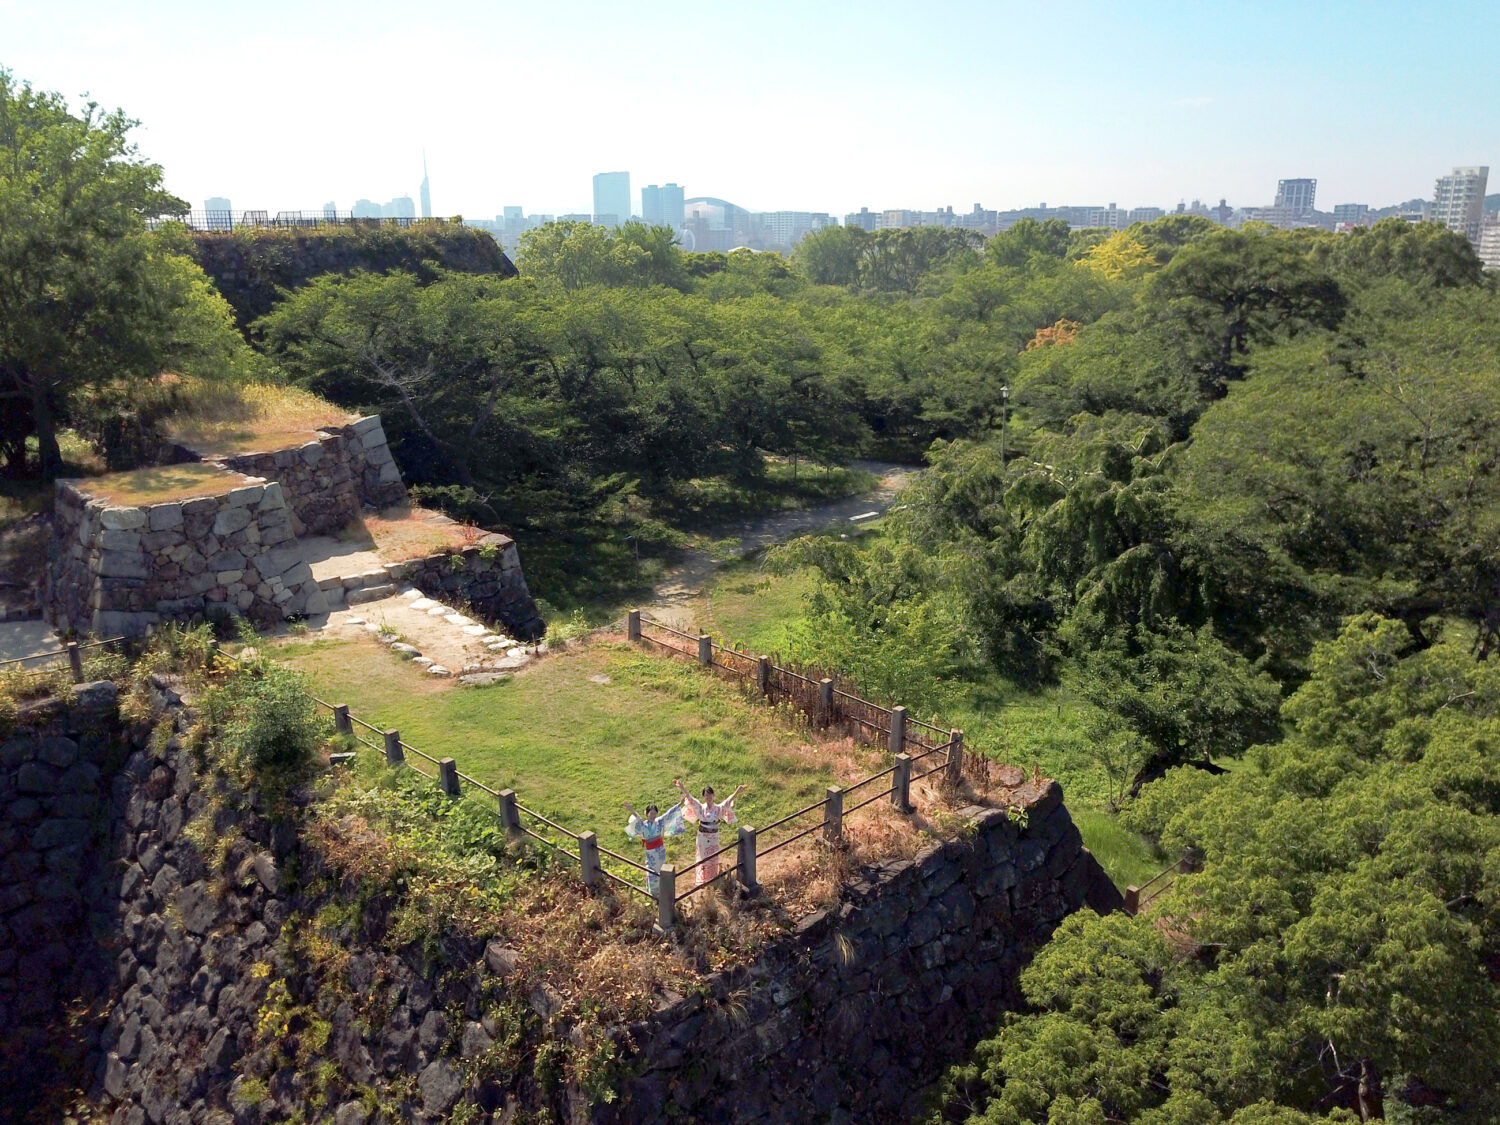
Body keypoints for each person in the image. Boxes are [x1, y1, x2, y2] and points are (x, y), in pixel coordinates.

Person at [674, 778, 747, 886]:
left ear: (714, 796)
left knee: (713, 856)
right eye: (706, 795)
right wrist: (682, 787)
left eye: (710, 794)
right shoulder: (700, 807)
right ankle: (702, 879)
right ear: (704, 797)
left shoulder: (718, 809)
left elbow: (728, 801)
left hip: (713, 836)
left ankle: (712, 878)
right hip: (702, 836)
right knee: (702, 857)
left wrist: (737, 791)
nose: (708, 797)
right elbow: (691, 799)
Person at [623, 798, 685, 896]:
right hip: (650, 852)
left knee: (661, 870)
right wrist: (631, 810)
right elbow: (638, 818)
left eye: (654, 813)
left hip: (660, 850)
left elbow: (669, 813)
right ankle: (652, 893)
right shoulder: (643, 825)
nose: (653, 815)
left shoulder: (659, 821)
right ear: (647, 814)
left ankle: (662, 890)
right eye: (651, 813)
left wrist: (680, 803)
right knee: (651, 872)